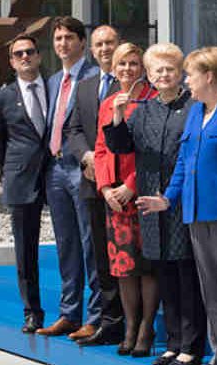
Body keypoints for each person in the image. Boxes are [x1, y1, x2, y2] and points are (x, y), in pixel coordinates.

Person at [137, 47, 217, 365]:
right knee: (211, 290)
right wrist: (168, 198)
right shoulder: (196, 111)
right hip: (194, 211)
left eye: (190, 74)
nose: (186, 80)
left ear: (209, 76)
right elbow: (184, 161)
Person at [103, 43, 207, 365]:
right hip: (150, 204)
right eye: (158, 70)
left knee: (186, 274)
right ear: (149, 75)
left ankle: (191, 346)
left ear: (181, 74)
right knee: (164, 274)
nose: (164, 75)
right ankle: (173, 344)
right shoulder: (145, 109)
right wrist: (118, 117)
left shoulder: (193, 107)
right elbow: (121, 146)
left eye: (170, 69)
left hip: (182, 202)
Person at [39, 16, 103, 337]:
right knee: (66, 244)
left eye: (68, 38)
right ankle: (69, 312)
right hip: (55, 169)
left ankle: (95, 316)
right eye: (58, 38)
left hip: (82, 169)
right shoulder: (52, 81)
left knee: (90, 241)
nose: (62, 44)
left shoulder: (94, 77)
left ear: (81, 42)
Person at [94, 43, 159, 356]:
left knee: (146, 267)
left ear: (142, 68)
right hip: (114, 199)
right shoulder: (108, 103)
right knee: (123, 267)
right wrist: (106, 188)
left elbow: (152, 151)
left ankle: (147, 326)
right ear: (114, 68)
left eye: (134, 63)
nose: (127, 69)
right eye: (122, 64)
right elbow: (101, 148)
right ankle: (130, 325)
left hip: (142, 192)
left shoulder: (152, 100)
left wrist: (131, 186)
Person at [64, 24, 125, 346]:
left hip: (124, 188)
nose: (104, 49)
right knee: (100, 256)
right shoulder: (86, 87)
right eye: (99, 44)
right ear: (92, 50)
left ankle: (132, 322)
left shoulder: (130, 83)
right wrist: (88, 158)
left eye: (110, 43)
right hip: (92, 183)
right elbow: (72, 129)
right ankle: (109, 320)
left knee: (128, 258)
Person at [0, 35, 50, 334]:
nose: (25, 57)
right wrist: (13, 170)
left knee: (73, 247)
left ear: (39, 56)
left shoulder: (55, 88)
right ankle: (32, 312)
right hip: (21, 181)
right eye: (18, 54)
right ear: (12, 62)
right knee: (26, 251)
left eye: (30, 52)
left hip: (56, 177)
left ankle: (75, 312)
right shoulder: (1, 99)